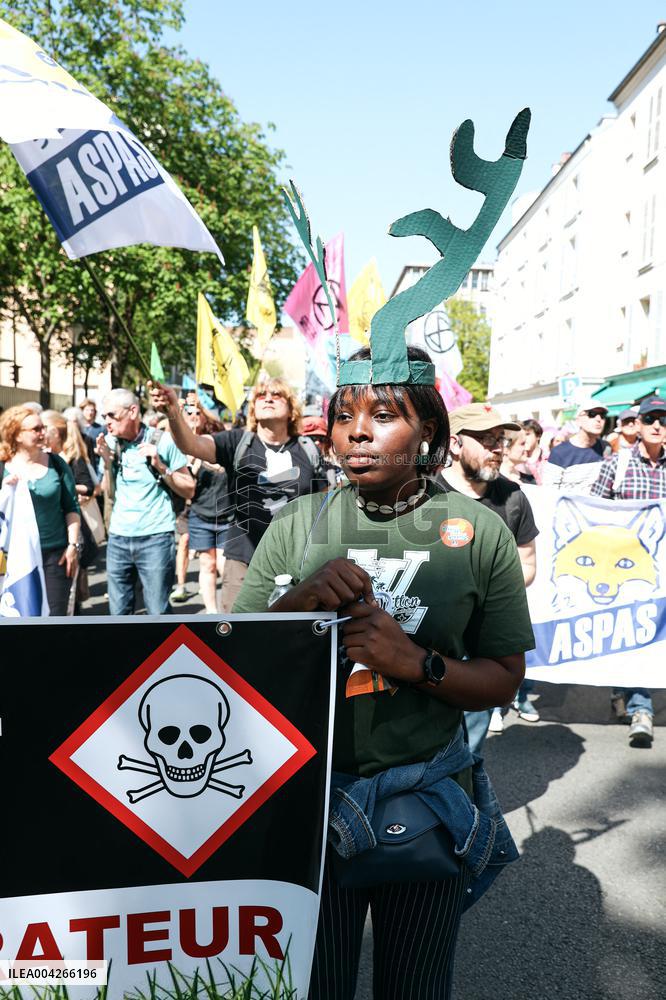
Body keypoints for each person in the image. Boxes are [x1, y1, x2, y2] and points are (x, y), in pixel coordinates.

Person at [234, 344, 534, 998]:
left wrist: (413, 662)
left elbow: (504, 677)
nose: (358, 431)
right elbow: (236, 665)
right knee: (317, 984)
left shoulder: (479, 533)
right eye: (345, 416)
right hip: (306, 806)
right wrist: (300, 602)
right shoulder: (293, 527)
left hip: (425, 804)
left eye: (384, 414)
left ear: (428, 428)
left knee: (415, 986)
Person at [150, 378, 327, 612]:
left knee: (294, 636)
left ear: (291, 410)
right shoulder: (238, 442)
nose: (268, 398)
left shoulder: (308, 449)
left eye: (276, 394)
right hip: (244, 560)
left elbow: (323, 507)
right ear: (253, 407)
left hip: (297, 562)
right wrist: (173, 412)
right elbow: (190, 445)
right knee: (240, 636)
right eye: (261, 395)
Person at [439, 403, 540, 744]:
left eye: (499, 439)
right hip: (429, 640)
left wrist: (487, 589)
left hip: (484, 640)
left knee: (471, 747)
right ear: (455, 444)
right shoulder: (423, 494)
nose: (497, 448)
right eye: (486, 439)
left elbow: (527, 565)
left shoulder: (512, 497)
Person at [591, 395, 666, 748]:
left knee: (647, 636)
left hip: (659, 570)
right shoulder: (617, 463)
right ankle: (632, 696)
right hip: (620, 569)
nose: (656, 425)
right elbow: (590, 509)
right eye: (650, 418)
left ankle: (640, 708)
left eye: (663, 420)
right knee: (628, 636)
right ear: (638, 423)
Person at [96, 388, 194, 616]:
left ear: (133, 411)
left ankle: (164, 653)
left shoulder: (162, 440)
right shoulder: (110, 442)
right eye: (104, 417)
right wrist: (107, 463)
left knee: (157, 612)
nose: (107, 422)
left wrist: (160, 465)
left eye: (112, 415)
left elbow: (189, 488)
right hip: (119, 538)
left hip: (155, 538)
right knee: (118, 614)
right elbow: (109, 494)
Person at [0, 405, 81, 615]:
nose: (43, 433)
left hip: (54, 557)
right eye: (36, 429)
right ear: (17, 434)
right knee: (17, 619)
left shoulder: (56, 463)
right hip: (13, 558)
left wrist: (72, 545)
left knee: (53, 621)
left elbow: (71, 507)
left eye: (43, 428)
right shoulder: (3, 467)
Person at [182, 400, 232, 613]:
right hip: (201, 513)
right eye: (189, 413)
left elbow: (225, 467)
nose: (193, 416)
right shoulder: (184, 446)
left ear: (205, 415)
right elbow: (188, 488)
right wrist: (191, 462)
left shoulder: (220, 440)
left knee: (224, 565)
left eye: (197, 412)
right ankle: (211, 613)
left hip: (227, 514)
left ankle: (229, 610)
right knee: (207, 564)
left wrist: (205, 458)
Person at [542, 401, 610, 493]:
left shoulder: (606, 447)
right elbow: (549, 491)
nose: (598, 419)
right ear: (578, 421)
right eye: (592, 414)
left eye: (602, 415)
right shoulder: (559, 452)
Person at [520, 418, 546, 483]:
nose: (524, 438)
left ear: (538, 436)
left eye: (527, 434)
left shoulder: (549, 458)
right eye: (521, 435)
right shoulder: (517, 460)